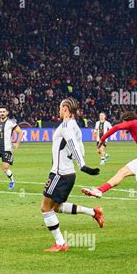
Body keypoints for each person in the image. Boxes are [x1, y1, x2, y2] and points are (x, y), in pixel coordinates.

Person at [41, 97, 104, 252]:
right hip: (69, 174)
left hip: (59, 174)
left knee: (45, 208)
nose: (59, 110)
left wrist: (83, 166)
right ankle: (93, 212)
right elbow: (80, 147)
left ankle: (61, 243)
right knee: (56, 207)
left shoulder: (66, 125)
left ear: (66, 109)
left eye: (60, 107)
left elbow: (73, 145)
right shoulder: (75, 126)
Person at [0, 107, 22, 190]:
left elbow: (20, 132)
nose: (2, 113)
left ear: (7, 113)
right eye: (0, 112)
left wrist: (17, 143)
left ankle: (12, 181)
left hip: (7, 149)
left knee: (5, 169)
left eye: (3, 112)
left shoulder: (11, 123)